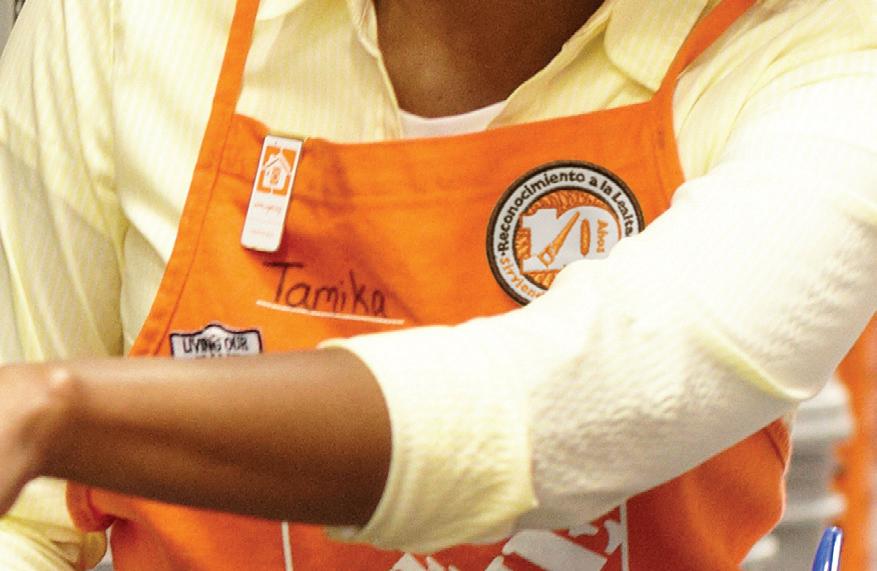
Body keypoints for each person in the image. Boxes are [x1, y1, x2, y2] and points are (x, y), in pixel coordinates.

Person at [0, 0, 875, 569]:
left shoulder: (826, 54)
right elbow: (24, 529)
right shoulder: (129, 23)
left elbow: (569, 402)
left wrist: (62, 413)